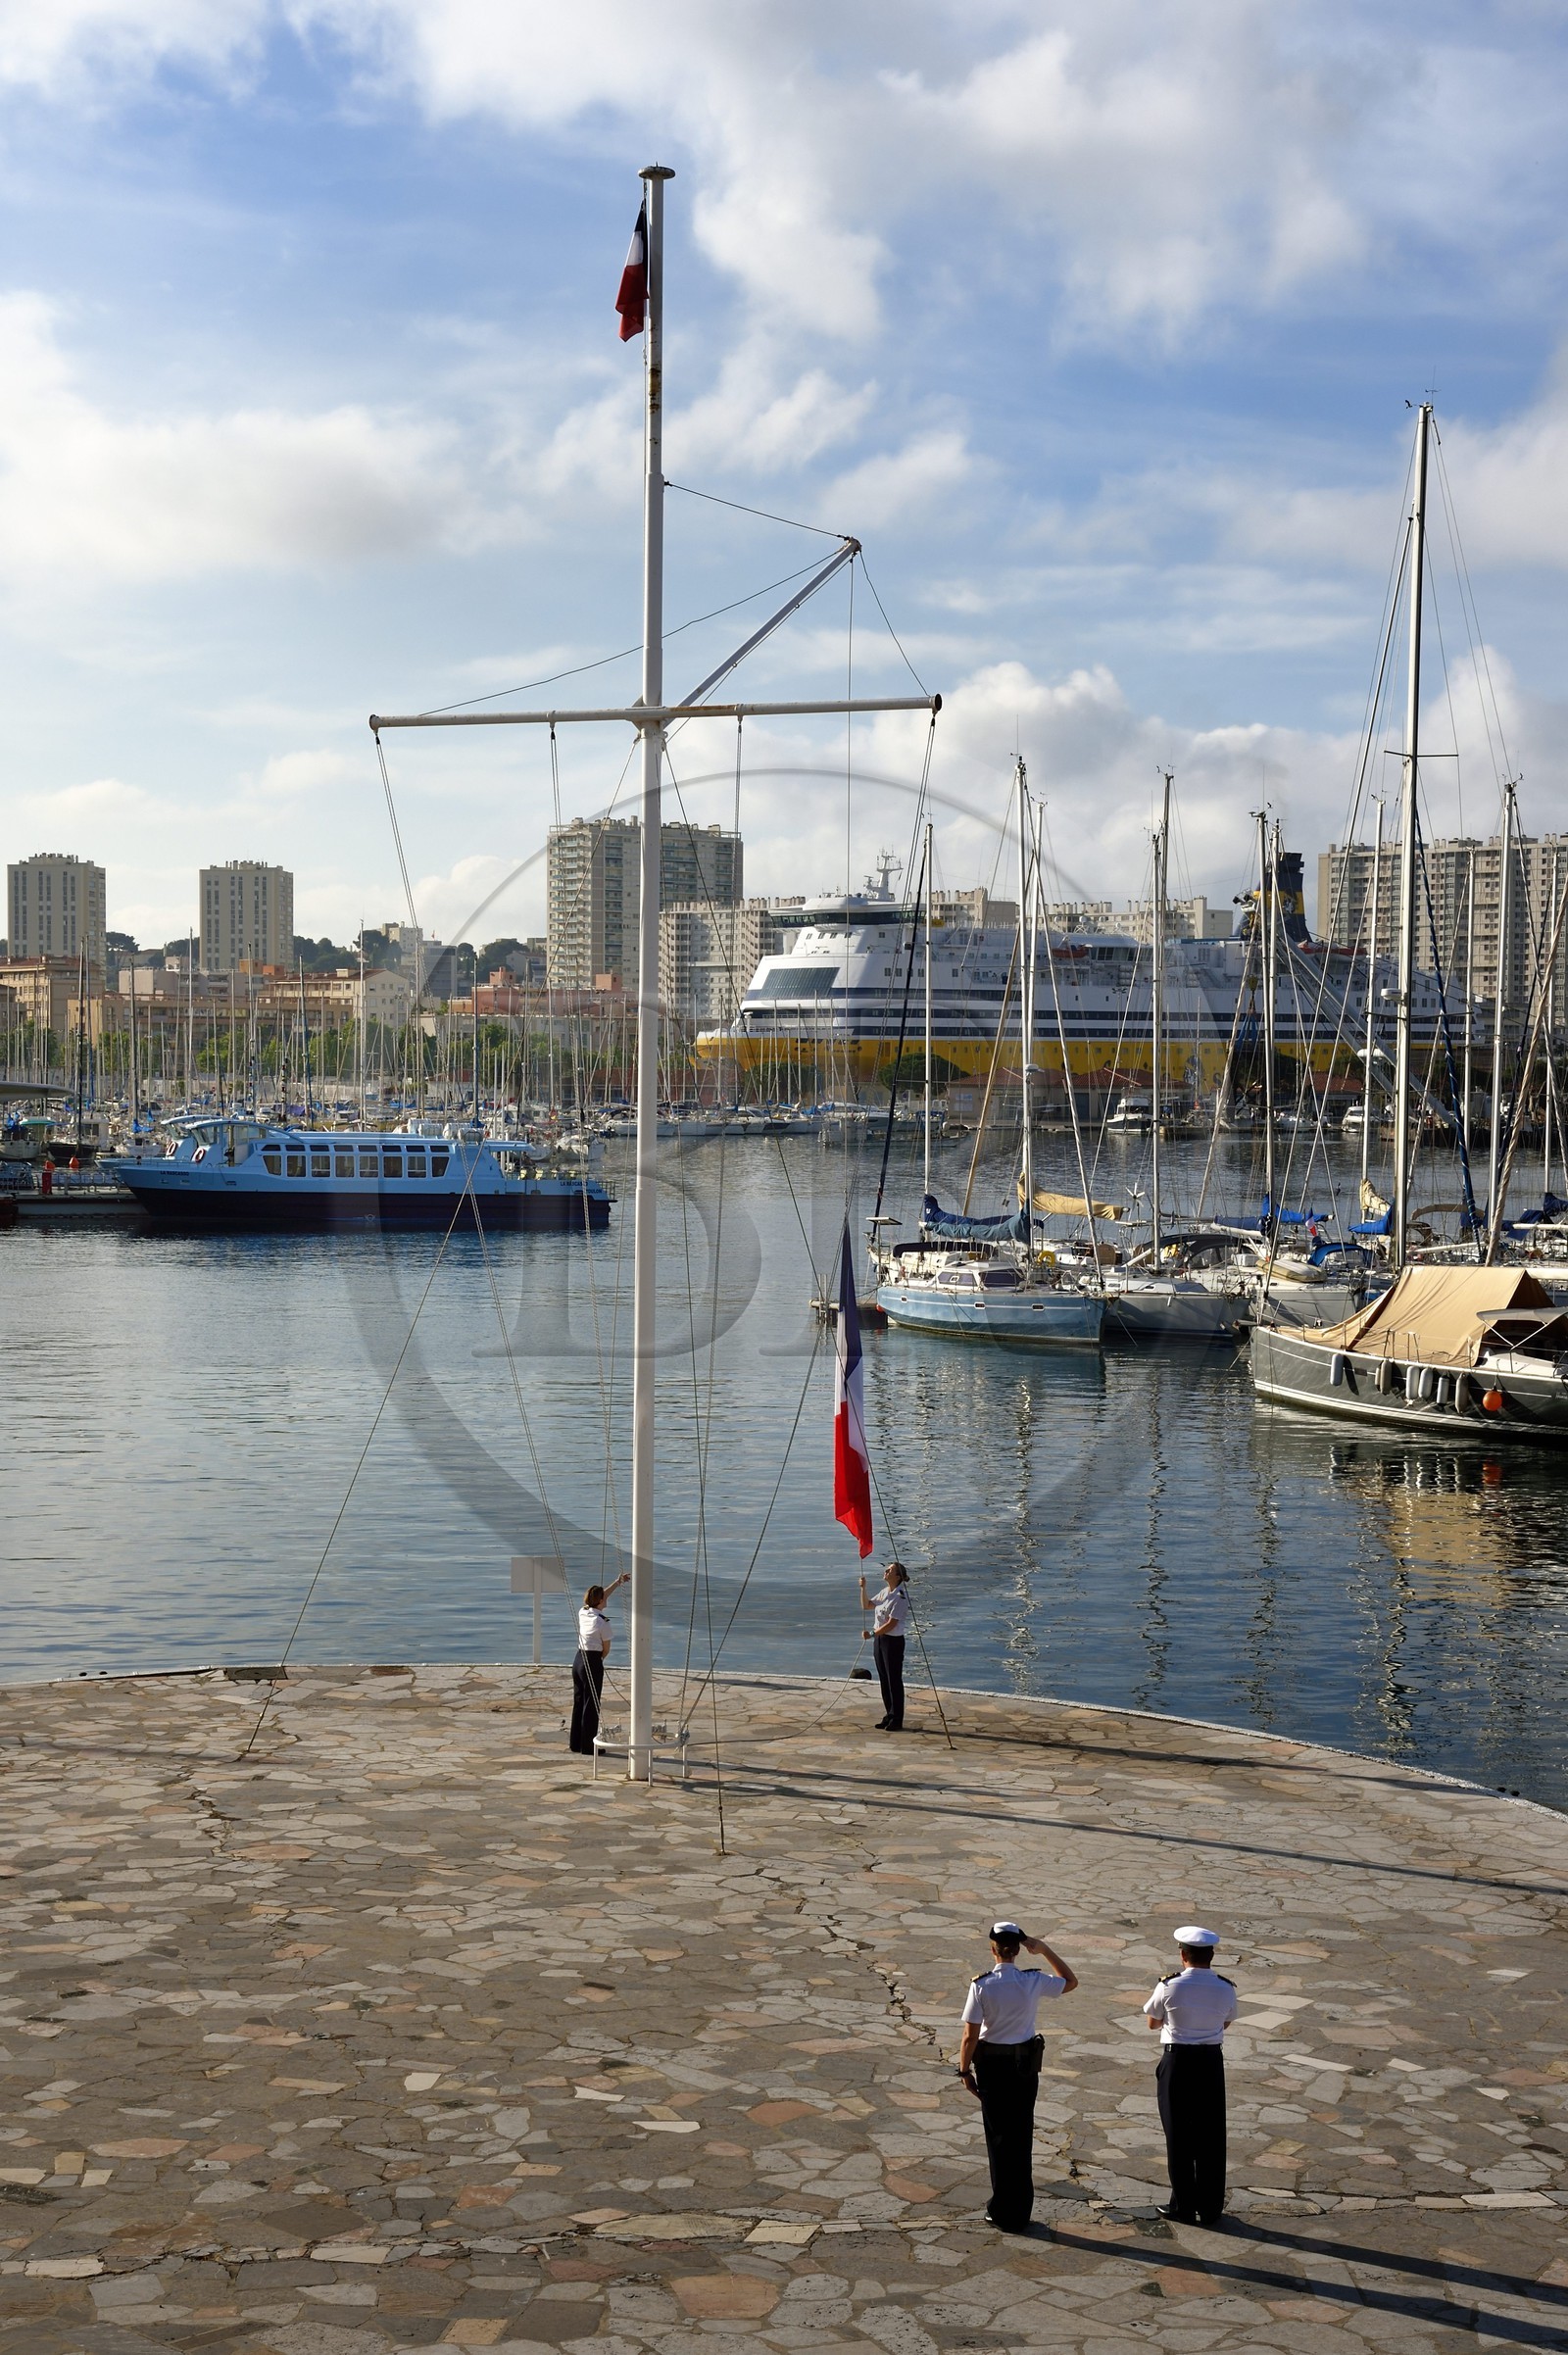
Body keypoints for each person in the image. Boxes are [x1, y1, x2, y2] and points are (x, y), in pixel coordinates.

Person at [956, 1921, 1078, 2233]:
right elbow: (1070, 1982)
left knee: (999, 2137)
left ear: (992, 1948)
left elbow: (970, 2035)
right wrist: (1046, 1949)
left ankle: (1003, 2209)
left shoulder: (981, 1984)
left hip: (992, 2066)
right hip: (1024, 2066)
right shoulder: (1033, 1979)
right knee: (1021, 2135)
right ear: (1019, 1950)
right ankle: (1021, 2210)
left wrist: (964, 2070)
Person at [1143, 1924, 1237, 2226]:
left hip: (1178, 2062)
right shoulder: (1225, 1987)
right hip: (1210, 2063)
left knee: (1179, 2135)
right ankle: (1210, 2208)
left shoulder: (1169, 1985)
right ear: (1211, 1955)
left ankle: (1182, 2205)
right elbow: (1225, 2023)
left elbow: (1152, 2022)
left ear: (1183, 1955)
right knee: (1210, 2136)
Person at [569, 1573, 627, 1755]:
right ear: (601, 1600)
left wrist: (617, 1583)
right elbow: (606, 1649)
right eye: (604, 1596)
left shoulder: (583, 1611)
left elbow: (601, 1595)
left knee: (579, 1702)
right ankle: (588, 1746)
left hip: (578, 1659)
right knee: (592, 1704)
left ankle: (576, 1743)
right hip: (592, 1661)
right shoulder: (603, 1623)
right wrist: (598, 1662)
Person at [859, 1559, 910, 1731]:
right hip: (880, 1640)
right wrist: (863, 1588)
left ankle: (897, 1718)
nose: (886, 1572)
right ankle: (889, 1714)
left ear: (897, 1576)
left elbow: (892, 1623)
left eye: (890, 1570)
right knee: (883, 1678)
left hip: (892, 1641)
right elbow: (866, 1605)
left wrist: (872, 1633)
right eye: (887, 1569)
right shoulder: (884, 1592)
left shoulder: (900, 1596)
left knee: (893, 1679)